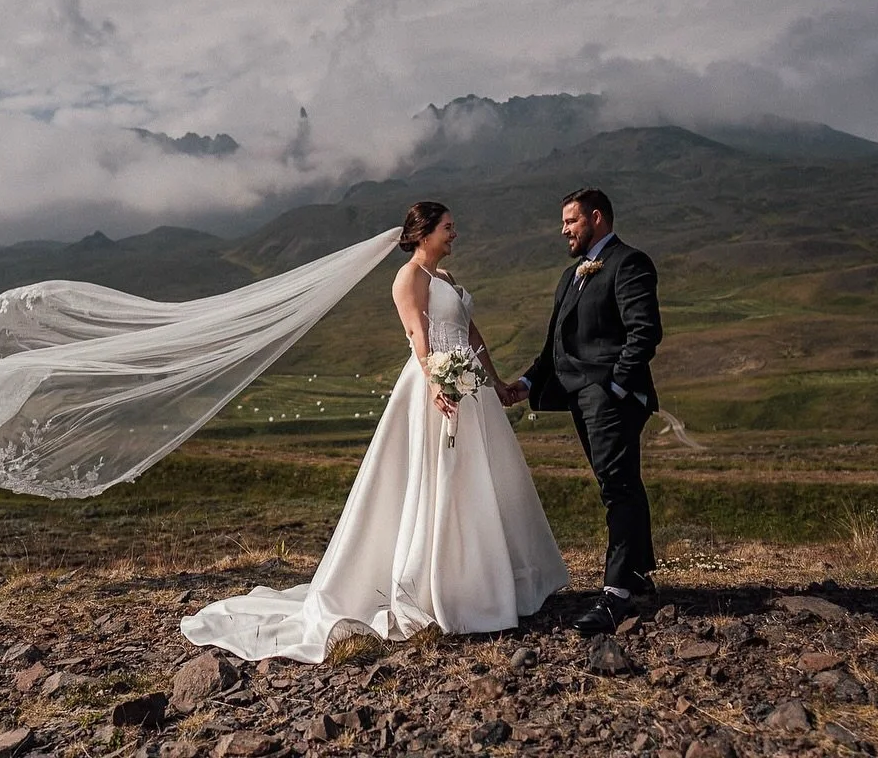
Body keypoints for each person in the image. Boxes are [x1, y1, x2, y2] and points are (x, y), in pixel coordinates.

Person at [180, 201, 568, 662]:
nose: (455, 234)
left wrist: (496, 380)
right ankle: (434, 588)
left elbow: (471, 333)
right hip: (434, 388)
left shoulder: (445, 280)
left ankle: (485, 584)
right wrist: (437, 384)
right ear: (423, 233)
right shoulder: (408, 278)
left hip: (471, 391)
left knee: (478, 484)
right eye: (448, 227)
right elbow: (418, 336)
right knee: (434, 481)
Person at [505, 188, 662, 635]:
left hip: (609, 397)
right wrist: (527, 384)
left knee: (617, 486)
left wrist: (613, 386)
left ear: (596, 218)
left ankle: (616, 594)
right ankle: (637, 575)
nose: (564, 231)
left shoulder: (629, 263)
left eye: (571, 222)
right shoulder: (571, 275)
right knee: (620, 482)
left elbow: (645, 333)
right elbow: (555, 345)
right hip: (581, 397)